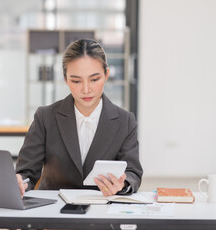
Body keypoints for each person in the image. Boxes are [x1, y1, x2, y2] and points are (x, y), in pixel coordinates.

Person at [16, 39, 142, 197]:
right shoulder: (46, 117)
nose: (86, 89)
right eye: (76, 81)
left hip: (102, 208)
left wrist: (121, 184)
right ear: (65, 79)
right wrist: (20, 182)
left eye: (94, 79)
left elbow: (133, 173)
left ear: (106, 75)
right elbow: (26, 173)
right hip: (54, 210)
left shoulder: (125, 121)